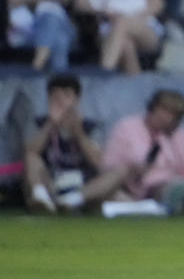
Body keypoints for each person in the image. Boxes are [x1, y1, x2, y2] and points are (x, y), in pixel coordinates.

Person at [22, 73, 133, 213]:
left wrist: (79, 133)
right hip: (51, 180)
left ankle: (71, 201)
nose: (61, 101)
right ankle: (42, 200)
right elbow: (30, 152)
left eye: (66, 95)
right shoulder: (38, 123)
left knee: (120, 172)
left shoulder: (90, 127)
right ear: (48, 99)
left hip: (83, 186)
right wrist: (50, 124)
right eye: (56, 97)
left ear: (77, 99)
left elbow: (98, 161)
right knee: (31, 157)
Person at [102, 89, 184, 213]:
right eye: (164, 110)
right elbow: (109, 166)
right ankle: (147, 209)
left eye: (173, 114)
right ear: (152, 108)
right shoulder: (126, 127)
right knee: (112, 194)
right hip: (130, 186)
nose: (166, 117)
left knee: (181, 188)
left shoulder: (179, 134)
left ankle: (168, 206)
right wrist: (133, 170)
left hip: (166, 185)